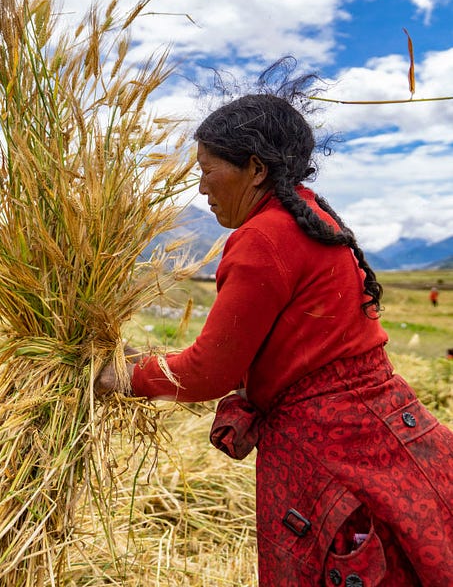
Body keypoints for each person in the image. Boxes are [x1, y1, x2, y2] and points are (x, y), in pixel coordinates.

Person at [97, 88, 453, 585]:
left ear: (256, 169)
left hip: (331, 449)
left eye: (207, 170)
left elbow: (208, 372)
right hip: (382, 428)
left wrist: (121, 377)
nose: (201, 187)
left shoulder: (264, 236)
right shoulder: (310, 217)